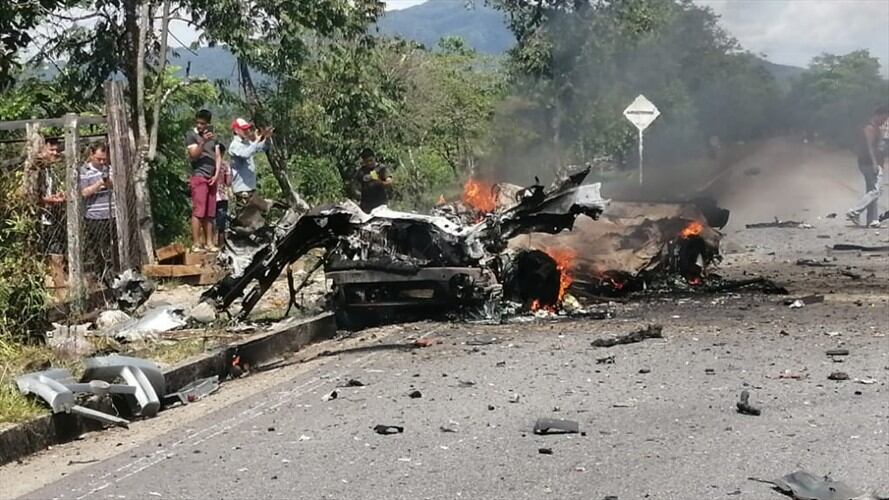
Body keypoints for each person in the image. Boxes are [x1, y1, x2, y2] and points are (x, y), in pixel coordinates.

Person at [186, 109, 223, 251]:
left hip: (212, 177)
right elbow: (193, 154)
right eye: (198, 123)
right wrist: (203, 142)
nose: (200, 126)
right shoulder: (192, 135)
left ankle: (209, 243)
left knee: (210, 212)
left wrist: (216, 175)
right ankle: (196, 243)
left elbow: (218, 156)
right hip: (199, 176)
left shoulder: (214, 137)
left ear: (208, 124)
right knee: (198, 211)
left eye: (203, 123)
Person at [846, 105, 889, 228]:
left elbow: (881, 146)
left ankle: (872, 220)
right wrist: (874, 162)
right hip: (868, 163)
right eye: (884, 118)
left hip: (875, 163)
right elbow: (870, 147)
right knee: (875, 191)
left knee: (873, 192)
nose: (884, 121)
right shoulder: (869, 128)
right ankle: (855, 211)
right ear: (877, 115)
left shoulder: (877, 129)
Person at [79, 143, 116, 280]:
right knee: (98, 247)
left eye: (104, 159)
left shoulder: (110, 169)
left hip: (111, 214)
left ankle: (112, 273)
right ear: (91, 155)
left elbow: (116, 185)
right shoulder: (84, 171)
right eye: (98, 159)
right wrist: (99, 184)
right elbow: (83, 192)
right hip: (94, 216)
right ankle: (101, 274)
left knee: (111, 246)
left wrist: (109, 183)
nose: (101, 162)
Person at [228, 117, 271, 211]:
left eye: (247, 129)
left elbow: (262, 148)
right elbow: (246, 154)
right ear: (236, 130)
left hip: (251, 187)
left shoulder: (247, 143)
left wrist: (267, 138)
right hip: (242, 189)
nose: (246, 131)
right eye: (243, 129)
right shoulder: (234, 145)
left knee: (257, 212)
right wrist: (256, 141)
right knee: (245, 215)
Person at [356, 148, 392, 213]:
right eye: (367, 161)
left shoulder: (381, 168)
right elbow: (354, 186)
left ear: (374, 158)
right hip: (366, 206)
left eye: (371, 160)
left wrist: (379, 181)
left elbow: (389, 183)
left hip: (380, 204)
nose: (369, 163)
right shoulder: (361, 171)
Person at [215, 144, 232, 246]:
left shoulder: (210, 164)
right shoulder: (225, 165)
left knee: (210, 220)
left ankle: (209, 244)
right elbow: (228, 182)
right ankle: (221, 245)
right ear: (223, 153)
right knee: (222, 224)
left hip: (211, 196)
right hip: (222, 196)